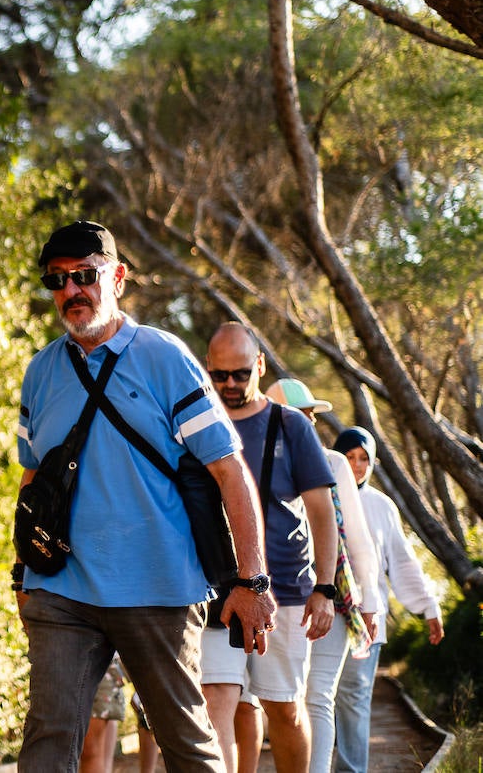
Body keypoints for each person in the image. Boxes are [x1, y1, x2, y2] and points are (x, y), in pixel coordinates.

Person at [13, 220, 276, 773]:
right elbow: (32, 480)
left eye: (85, 275)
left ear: (118, 277)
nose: (71, 291)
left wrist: (251, 582)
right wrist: (23, 574)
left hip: (157, 587)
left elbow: (229, 471)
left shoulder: (166, 357)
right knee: (47, 743)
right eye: (56, 281)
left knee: (185, 743)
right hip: (62, 588)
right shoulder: (40, 372)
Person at [201, 326, 338, 773]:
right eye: (220, 375)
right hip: (214, 591)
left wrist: (325, 588)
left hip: (285, 591)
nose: (230, 385)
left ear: (259, 366)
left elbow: (321, 511)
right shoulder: (195, 426)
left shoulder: (291, 425)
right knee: (216, 700)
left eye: (240, 373)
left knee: (284, 708)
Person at [265, 378, 380, 773]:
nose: (307, 423)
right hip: (280, 596)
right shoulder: (256, 457)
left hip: (331, 591)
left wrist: (370, 603)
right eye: (300, 415)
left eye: (311, 415)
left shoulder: (332, 462)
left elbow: (357, 537)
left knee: (317, 696)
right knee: (286, 697)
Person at [331, 426, 444, 773]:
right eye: (349, 457)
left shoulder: (382, 505)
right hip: (322, 613)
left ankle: (350, 770)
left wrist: (428, 606)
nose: (357, 465)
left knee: (353, 699)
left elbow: (402, 560)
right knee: (316, 700)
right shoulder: (319, 493)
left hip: (366, 618)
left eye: (364, 458)